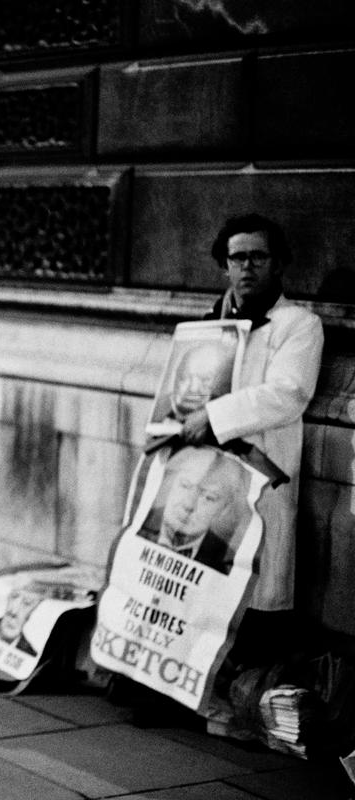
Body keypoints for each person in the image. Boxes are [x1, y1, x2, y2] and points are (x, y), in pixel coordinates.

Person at [178, 213, 324, 657]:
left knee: (256, 583)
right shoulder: (208, 325)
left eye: (258, 256)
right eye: (237, 257)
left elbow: (288, 394)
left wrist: (215, 416)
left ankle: (235, 696)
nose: (246, 267)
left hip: (262, 473)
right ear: (225, 265)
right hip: (209, 473)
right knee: (199, 579)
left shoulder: (298, 325)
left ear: (278, 263)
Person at [136, 447, 246, 574]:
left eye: (209, 497)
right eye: (185, 485)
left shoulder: (231, 565)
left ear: (225, 509)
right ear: (170, 483)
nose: (189, 504)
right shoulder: (136, 527)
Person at [0, 584, 41, 655]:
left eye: (27, 603)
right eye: (14, 597)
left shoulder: (30, 654)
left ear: (34, 611)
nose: (14, 611)